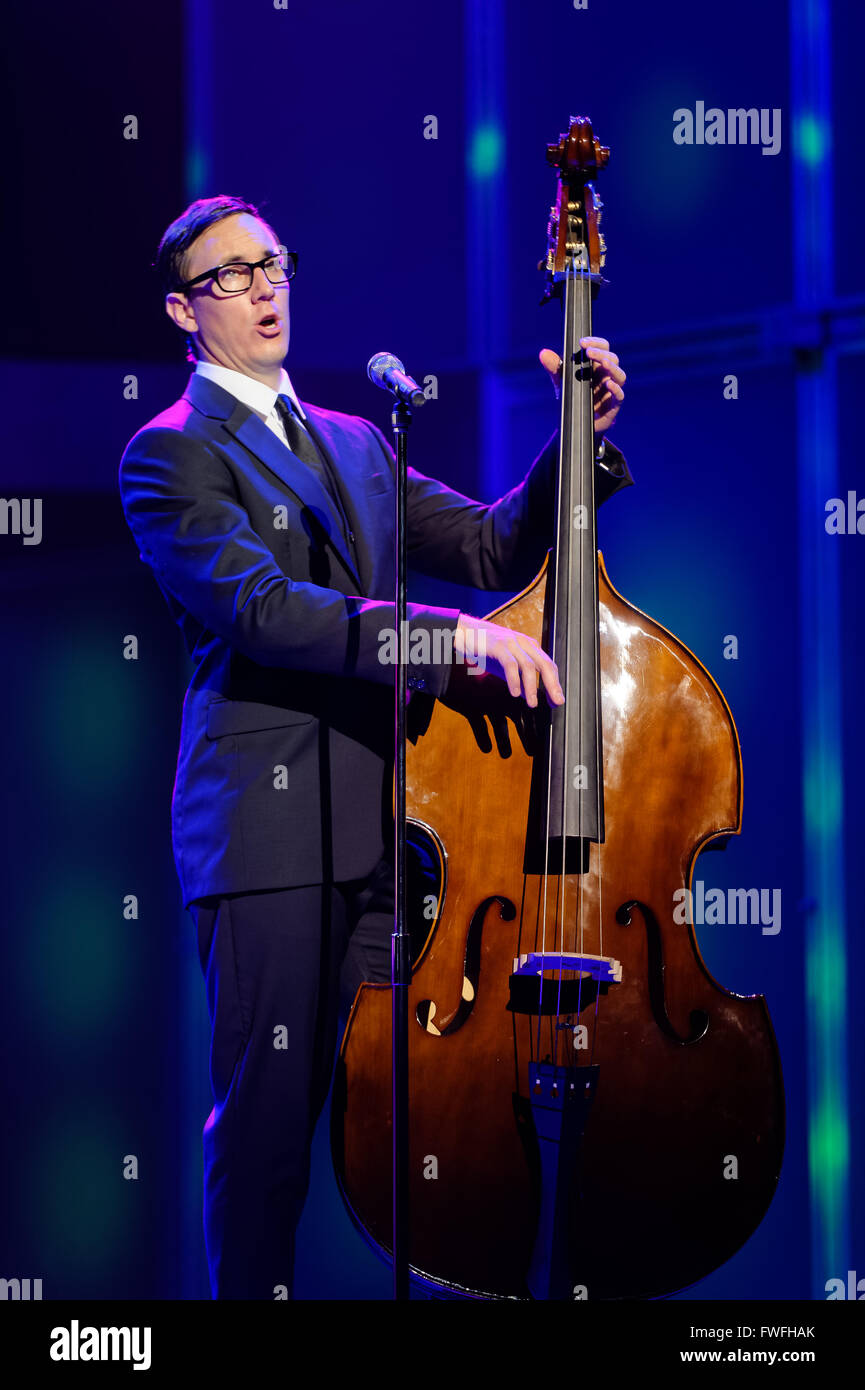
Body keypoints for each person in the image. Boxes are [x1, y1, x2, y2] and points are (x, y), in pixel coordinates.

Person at [118, 194, 630, 1299]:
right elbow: (265, 610)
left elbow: (494, 548)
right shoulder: (168, 457)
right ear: (182, 310)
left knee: (409, 1126)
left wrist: (573, 440)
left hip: (388, 831)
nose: (263, 288)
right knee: (265, 1131)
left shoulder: (354, 443)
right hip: (267, 833)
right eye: (230, 276)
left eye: (273, 264)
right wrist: (443, 639)